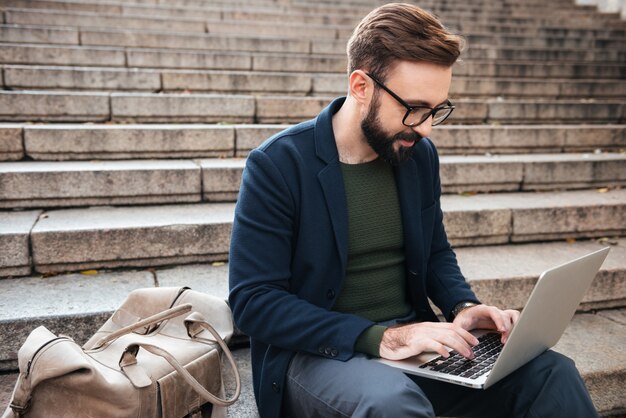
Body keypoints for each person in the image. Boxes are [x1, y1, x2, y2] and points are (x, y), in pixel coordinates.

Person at [228, 3, 599, 417]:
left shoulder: (417, 155)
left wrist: (463, 306)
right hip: (321, 355)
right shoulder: (278, 164)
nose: (424, 127)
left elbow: (435, 251)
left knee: (551, 373)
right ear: (361, 86)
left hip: (417, 347)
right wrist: (381, 339)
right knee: (391, 403)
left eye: (436, 110)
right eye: (415, 108)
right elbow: (254, 300)